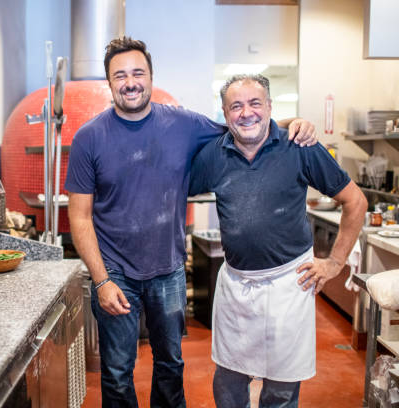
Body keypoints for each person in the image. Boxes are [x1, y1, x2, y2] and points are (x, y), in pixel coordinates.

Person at [65, 37, 316, 408]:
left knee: (170, 364)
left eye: (138, 72)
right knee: (117, 371)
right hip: (114, 272)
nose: (130, 81)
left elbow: (242, 127)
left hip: (168, 271)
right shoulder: (89, 138)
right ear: (109, 82)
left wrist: (292, 123)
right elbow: (80, 217)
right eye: (120, 75)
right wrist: (100, 280)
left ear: (151, 77)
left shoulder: (183, 123)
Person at [189, 74, 367, 408]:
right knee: (228, 383)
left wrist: (335, 263)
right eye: (236, 106)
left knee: (282, 389)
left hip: (290, 283)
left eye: (255, 103)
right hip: (238, 285)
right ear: (225, 114)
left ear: (270, 107)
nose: (246, 113)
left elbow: (355, 202)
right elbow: (171, 191)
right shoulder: (213, 155)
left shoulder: (299, 146)